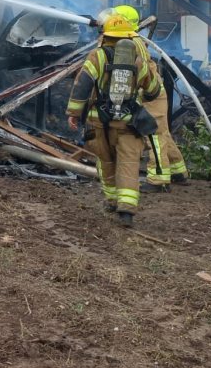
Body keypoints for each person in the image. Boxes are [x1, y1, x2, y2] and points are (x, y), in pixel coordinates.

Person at [66, 12, 163, 228]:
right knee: (128, 164)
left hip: (99, 122)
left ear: (106, 35)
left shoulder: (96, 56)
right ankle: (126, 210)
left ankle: (111, 200)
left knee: (106, 161)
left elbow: (82, 84)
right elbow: (153, 89)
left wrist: (73, 113)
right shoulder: (139, 58)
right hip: (129, 123)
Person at [109, 5, 190, 190]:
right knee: (163, 134)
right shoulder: (131, 39)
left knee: (154, 135)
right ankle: (178, 171)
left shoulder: (131, 43)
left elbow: (139, 73)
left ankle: (159, 180)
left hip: (150, 94)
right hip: (151, 92)